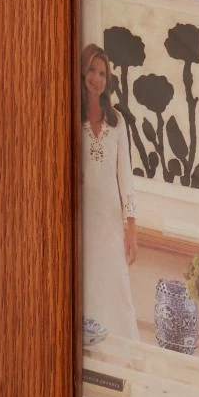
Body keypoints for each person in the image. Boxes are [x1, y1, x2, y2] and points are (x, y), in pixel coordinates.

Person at [81, 43, 140, 340]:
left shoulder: (116, 122)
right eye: (92, 70)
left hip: (108, 219)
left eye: (103, 73)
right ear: (82, 72)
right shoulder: (70, 117)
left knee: (116, 285)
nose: (97, 78)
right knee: (86, 282)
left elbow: (125, 178)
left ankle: (123, 353)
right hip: (79, 218)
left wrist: (131, 229)